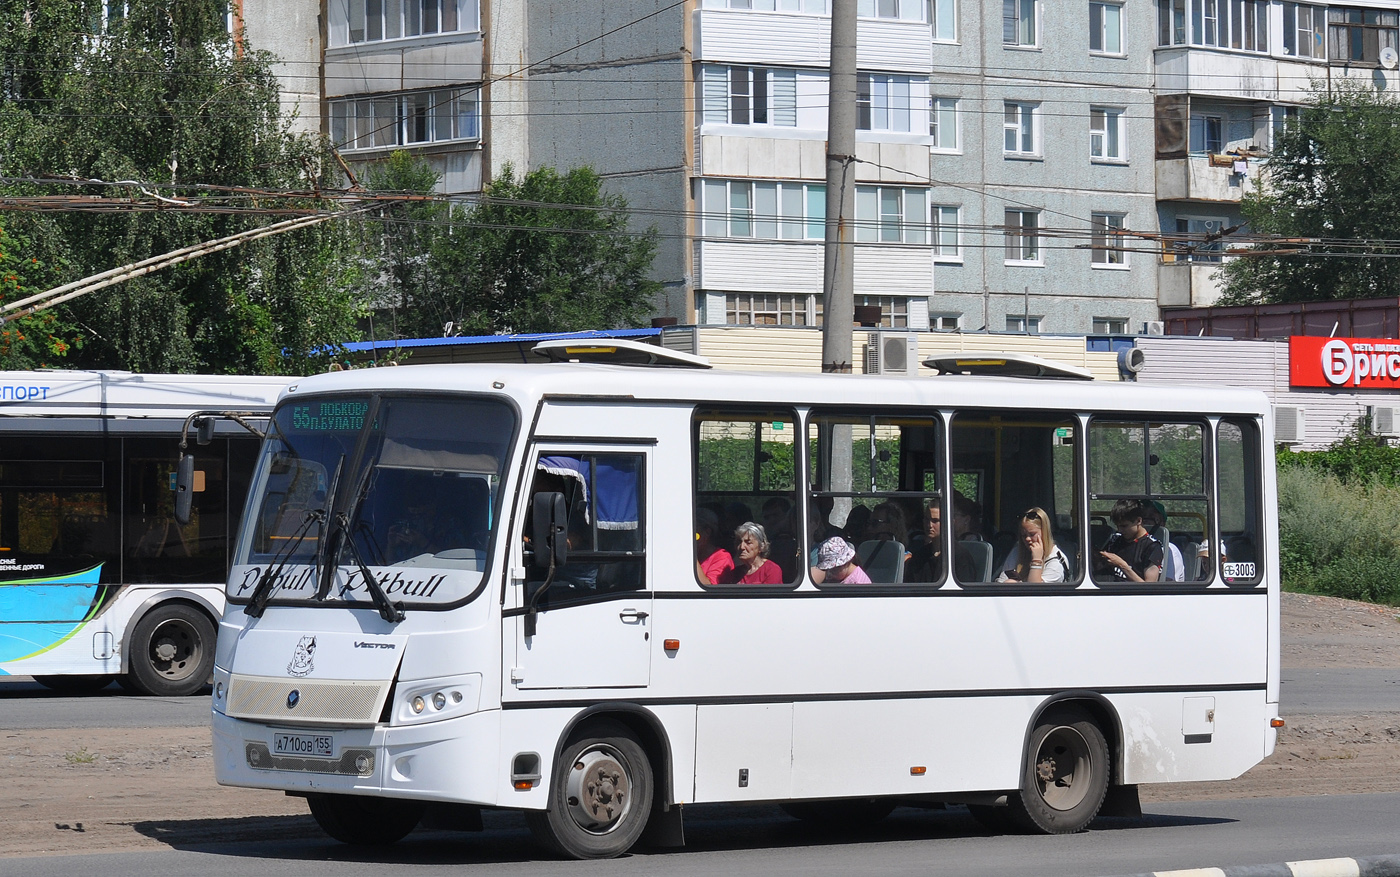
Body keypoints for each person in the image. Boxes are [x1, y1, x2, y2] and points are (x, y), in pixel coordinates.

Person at [904, 501, 978, 583]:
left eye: (935, 520)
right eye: (926, 519)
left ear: (949, 523)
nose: (929, 525)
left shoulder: (960, 557)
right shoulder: (920, 555)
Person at [1096, 498, 1164, 583]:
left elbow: (1149, 588)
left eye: (1124, 526)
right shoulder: (1115, 540)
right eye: (1117, 526)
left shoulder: (1152, 547)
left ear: (1138, 521)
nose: (1120, 530)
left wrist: (1122, 565)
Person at [996, 507, 1070, 583]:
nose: (1027, 539)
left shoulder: (1055, 561)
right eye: (1024, 535)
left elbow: (1036, 592)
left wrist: (1036, 561)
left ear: (1044, 532)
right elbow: (1002, 580)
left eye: (1032, 534)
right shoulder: (1016, 552)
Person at [718, 522, 784, 585]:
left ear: (761, 546)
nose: (742, 547)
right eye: (739, 542)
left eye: (748, 542)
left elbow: (768, 596)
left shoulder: (771, 570)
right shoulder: (735, 573)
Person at [695, 508, 735, 585]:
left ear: (707, 532)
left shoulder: (722, 557)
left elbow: (707, 588)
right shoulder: (698, 555)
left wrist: (692, 556)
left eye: (695, 534)